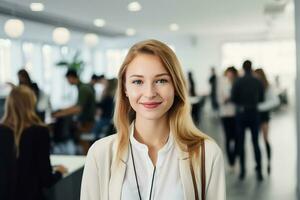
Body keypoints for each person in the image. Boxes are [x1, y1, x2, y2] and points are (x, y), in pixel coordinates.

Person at [80, 39, 225, 200]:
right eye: (138, 81)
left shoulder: (206, 153)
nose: (149, 93)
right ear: (125, 89)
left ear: (176, 87)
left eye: (161, 80)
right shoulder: (101, 153)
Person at [0, 86, 67, 200]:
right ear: (31, 104)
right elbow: (46, 180)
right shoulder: (39, 132)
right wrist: (59, 172)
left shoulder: (2, 131)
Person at [231, 60, 264, 181]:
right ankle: (259, 171)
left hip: (241, 115)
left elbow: (233, 98)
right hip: (254, 113)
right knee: (256, 142)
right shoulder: (257, 81)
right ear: (252, 68)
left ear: (243, 68)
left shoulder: (238, 81)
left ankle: (243, 171)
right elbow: (261, 98)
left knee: (241, 143)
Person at [52, 69, 96, 154]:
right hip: (87, 121)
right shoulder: (83, 87)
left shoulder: (83, 89)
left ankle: (87, 162)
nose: (68, 82)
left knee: (83, 142)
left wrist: (60, 114)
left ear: (71, 77)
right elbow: (77, 105)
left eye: (68, 79)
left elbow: (78, 108)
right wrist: (62, 110)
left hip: (87, 123)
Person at [254, 68, 280, 175]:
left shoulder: (268, 87)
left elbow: (275, 101)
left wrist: (259, 107)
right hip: (255, 116)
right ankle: (258, 163)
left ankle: (268, 161)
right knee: (255, 141)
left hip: (263, 116)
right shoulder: (253, 86)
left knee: (265, 139)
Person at [218, 66, 238, 169]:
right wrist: (226, 99)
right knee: (228, 138)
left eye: (232, 73)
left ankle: (234, 158)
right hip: (225, 114)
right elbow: (220, 99)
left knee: (236, 138)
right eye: (228, 73)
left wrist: (232, 98)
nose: (230, 75)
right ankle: (231, 162)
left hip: (235, 114)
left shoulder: (236, 83)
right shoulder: (222, 83)